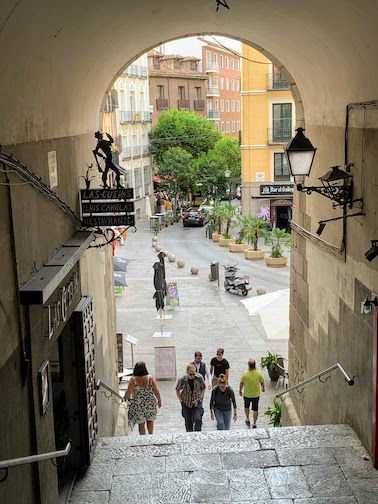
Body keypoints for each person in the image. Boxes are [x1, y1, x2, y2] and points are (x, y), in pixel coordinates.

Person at [124, 361, 161, 435]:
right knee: (150, 421)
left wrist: (125, 399)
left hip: (138, 405)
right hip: (150, 403)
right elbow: (156, 391)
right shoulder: (150, 378)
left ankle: (142, 438)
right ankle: (150, 435)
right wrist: (159, 400)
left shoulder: (133, 380)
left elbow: (128, 391)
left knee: (141, 424)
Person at [176, 363, 206, 432]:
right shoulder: (182, 380)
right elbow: (177, 389)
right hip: (187, 403)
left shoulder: (199, 378)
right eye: (190, 374)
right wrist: (181, 400)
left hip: (196, 401)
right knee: (188, 422)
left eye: (194, 374)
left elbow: (203, 387)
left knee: (198, 419)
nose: (192, 376)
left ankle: (198, 433)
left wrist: (201, 397)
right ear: (187, 372)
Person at [239, 358, 265, 429]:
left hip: (247, 394)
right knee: (255, 409)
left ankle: (247, 418)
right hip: (256, 395)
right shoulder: (258, 373)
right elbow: (262, 382)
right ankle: (254, 423)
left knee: (246, 407)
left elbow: (241, 383)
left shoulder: (245, 373)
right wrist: (263, 388)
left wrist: (240, 390)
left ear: (248, 365)